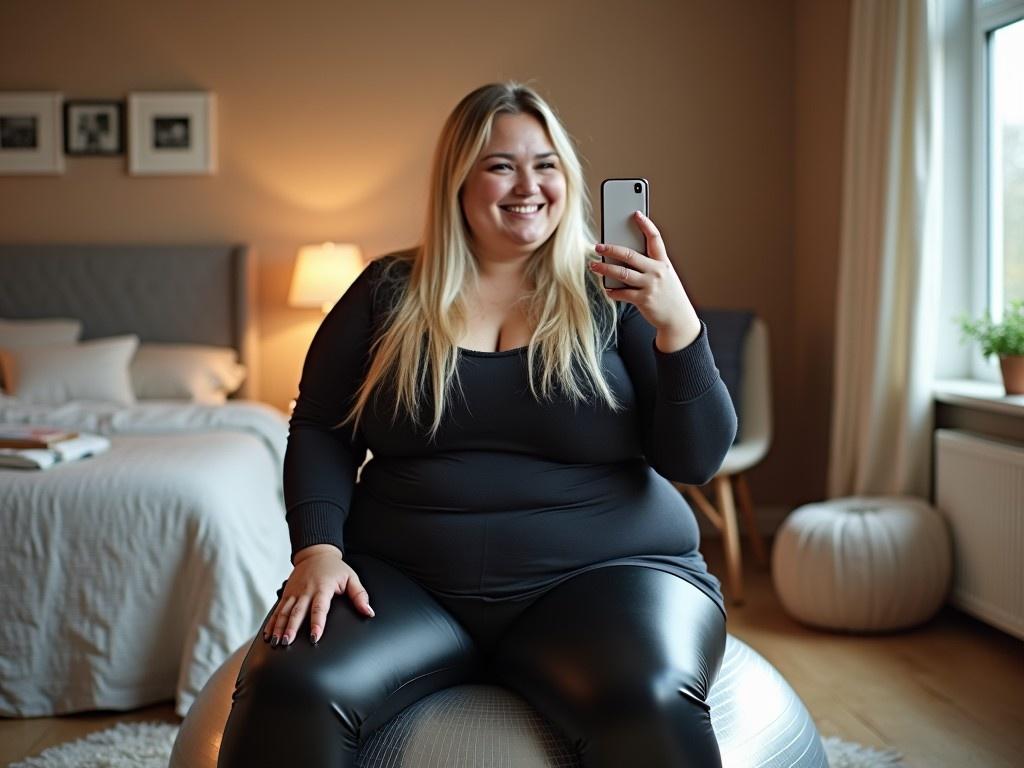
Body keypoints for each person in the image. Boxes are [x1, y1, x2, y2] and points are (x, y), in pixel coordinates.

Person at [218, 82, 736, 768]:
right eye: (501, 165)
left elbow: (695, 459)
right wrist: (317, 550)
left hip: (609, 576)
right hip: (402, 585)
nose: (529, 185)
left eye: (546, 163)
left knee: (644, 698)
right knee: (288, 689)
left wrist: (679, 325)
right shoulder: (387, 290)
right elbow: (319, 426)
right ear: (458, 180)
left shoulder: (615, 289)